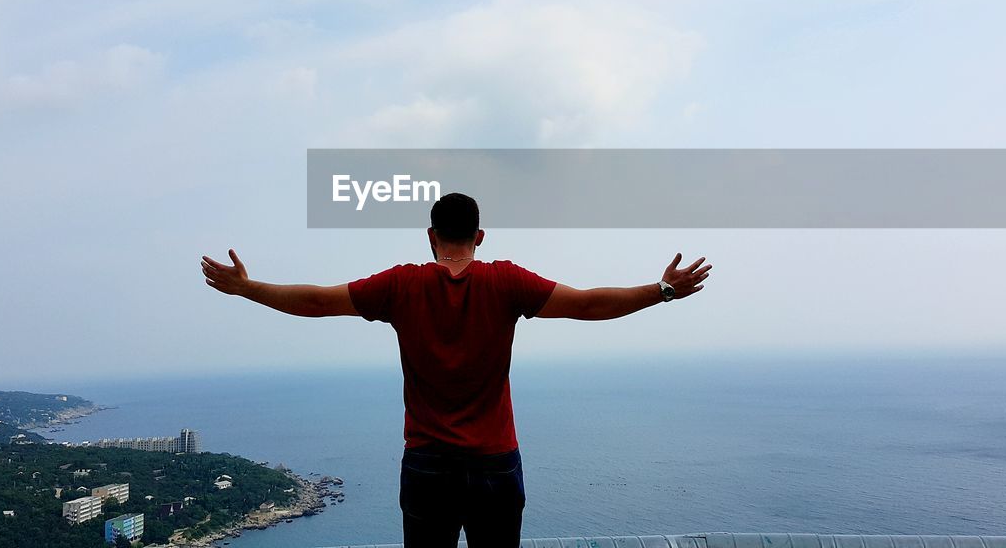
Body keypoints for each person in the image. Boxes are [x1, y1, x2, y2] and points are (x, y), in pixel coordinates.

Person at [200, 192, 710, 547]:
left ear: (431, 235)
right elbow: (587, 304)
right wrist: (661, 291)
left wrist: (248, 287)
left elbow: (315, 301)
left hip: (427, 465)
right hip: (494, 464)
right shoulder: (506, 282)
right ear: (479, 235)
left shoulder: (401, 285)